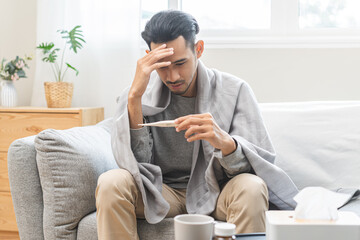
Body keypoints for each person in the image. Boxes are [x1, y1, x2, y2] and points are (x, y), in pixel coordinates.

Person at [96, 10, 298, 240]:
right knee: (111, 181)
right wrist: (134, 98)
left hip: (217, 191)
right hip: (160, 193)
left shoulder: (236, 90)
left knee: (251, 186)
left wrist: (226, 144)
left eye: (181, 63)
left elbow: (255, 167)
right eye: (162, 66)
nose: (172, 76)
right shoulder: (138, 96)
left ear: (198, 49)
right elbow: (135, 166)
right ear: (149, 58)